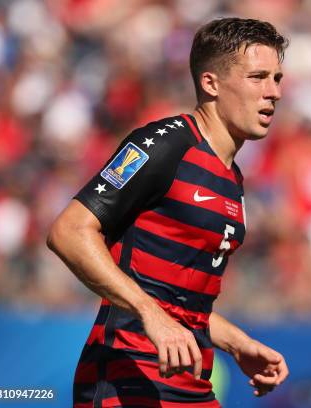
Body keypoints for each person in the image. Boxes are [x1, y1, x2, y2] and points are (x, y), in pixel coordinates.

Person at [47, 17, 289, 407]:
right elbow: (69, 231)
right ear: (211, 83)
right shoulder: (165, 144)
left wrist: (236, 342)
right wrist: (149, 313)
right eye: (257, 77)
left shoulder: (232, 177)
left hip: (189, 382)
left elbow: (179, 303)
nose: (273, 92)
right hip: (126, 382)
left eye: (277, 78)